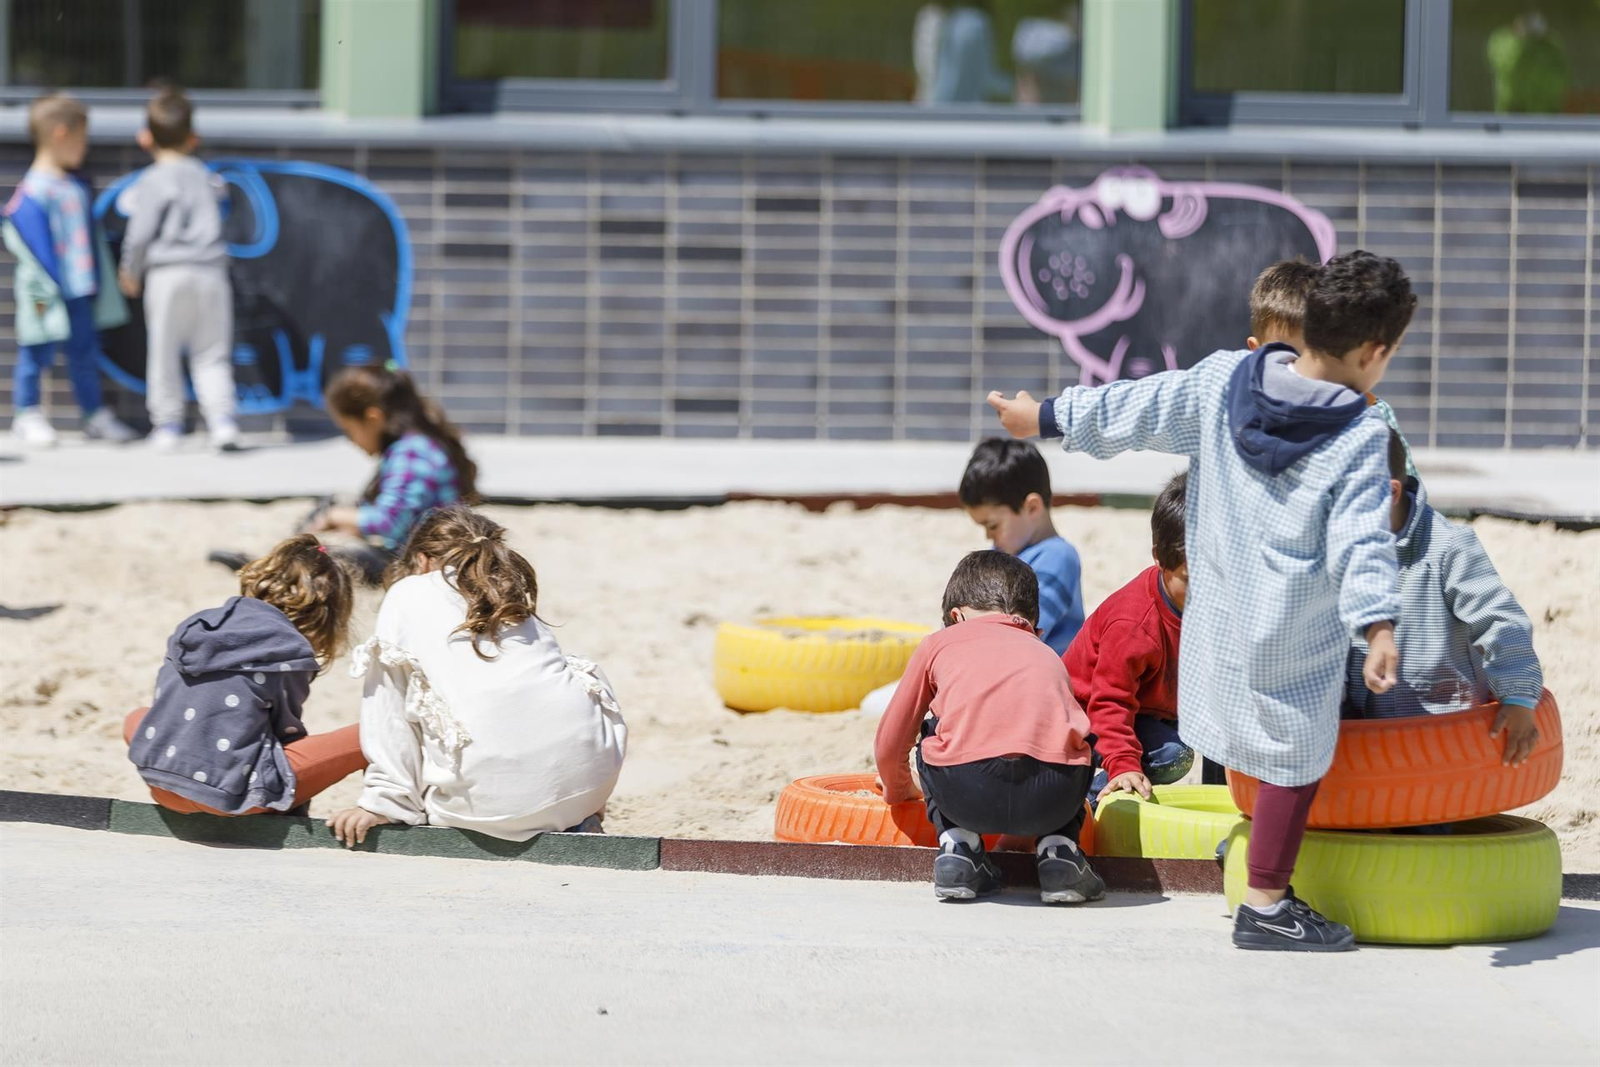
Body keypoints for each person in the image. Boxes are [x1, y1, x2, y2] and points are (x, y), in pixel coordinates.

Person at [988, 249, 1417, 951]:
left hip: (1214, 619)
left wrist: (1048, 415)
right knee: (1296, 754)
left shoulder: (1226, 378)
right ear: (1375, 351)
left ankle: (1238, 843)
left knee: (1237, 737)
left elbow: (1139, 403)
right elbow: (1362, 539)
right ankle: (1269, 904)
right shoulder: (1361, 432)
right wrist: (1376, 624)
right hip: (1293, 629)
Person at [327, 506, 628, 847]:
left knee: (421, 697)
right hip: (587, 789)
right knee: (572, 672)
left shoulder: (409, 591)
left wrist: (385, 802)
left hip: (491, 812)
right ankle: (576, 810)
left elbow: (388, 708)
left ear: (423, 559)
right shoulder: (506, 592)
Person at [873, 550, 1101, 904]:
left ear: (956, 616)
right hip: (1054, 796)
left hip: (966, 792)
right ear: (1034, 627)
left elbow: (891, 741)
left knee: (931, 732)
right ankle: (1060, 853)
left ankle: (959, 848)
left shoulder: (938, 643)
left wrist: (898, 790)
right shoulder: (1046, 652)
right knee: (1078, 738)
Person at [124, 534, 361, 815]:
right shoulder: (288, 650)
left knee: (138, 716)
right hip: (229, 796)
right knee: (367, 735)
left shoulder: (199, 625)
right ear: (327, 615)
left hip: (162, 782)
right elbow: (286, 732)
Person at [1345, 431, 1544, 763]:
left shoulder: (1448, 548)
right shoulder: (1340, 552)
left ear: (1389, 492)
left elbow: (1499, 619)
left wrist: (1519, 697)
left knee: (1433, 812)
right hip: (1365, 731)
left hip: (1442, 727)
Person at [4, 93, 138, 448]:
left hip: (81, 290)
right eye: (82, 140)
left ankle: (94, 414)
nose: (86, 148)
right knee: (36, 350)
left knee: (84, 353)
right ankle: (27, 413)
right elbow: (22, 233)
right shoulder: (33, 190)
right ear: (61, 135)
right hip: (45, 293)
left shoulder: (76, 185)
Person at [115, 88, 238, 452]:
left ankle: (167, 425)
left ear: (145, 138)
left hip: (167, 274)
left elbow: (139, 234)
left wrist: (129, 270)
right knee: (212, 352)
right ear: (193, 138)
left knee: (163, 351)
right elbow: (222, 196)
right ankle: (222, 421)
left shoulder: (152, 180)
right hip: (212, 273)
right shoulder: (207, 177)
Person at [1066, 472, 1190, 806]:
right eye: (1190, 579)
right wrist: (1123, 763)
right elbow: (1110, 701)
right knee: (1173, 755)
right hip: (1084, 715)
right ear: (1159, 559)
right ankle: (1087, 799)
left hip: (1149, 710)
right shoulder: (1134, 623)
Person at [309, 364, 477, 585]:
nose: (350, 441)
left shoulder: (411, 453)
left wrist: (334, 516)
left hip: (433, 561)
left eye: (349, 430)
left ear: (373, 418)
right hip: (427, 551)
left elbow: (389, 521)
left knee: (329, 561)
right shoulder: (414, 444)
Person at [1248, 258, 1415, 479]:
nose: (1302, 375)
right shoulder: (1237, 405)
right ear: (1255, 352)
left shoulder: (1372, 415)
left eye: (1311, 356)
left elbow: (1405, 490)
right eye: (1286, 360)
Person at [958, 438, 1085, 654]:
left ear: (1032, 508)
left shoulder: (1058, 557)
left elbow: (1021, 632)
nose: (989, 535)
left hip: (1037, 675)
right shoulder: (998, 555)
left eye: (993, 525)